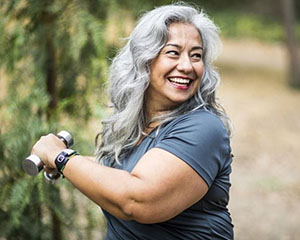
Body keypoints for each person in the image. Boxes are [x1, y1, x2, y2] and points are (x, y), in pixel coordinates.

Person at [31, 3, 234, 239]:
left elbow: (137, 200)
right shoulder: (138, 125)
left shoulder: (204, 128)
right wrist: (59, 161)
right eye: (173, 52)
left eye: (196, 55)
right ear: (144, 59)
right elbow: (121, 172)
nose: (187, 66)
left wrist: (62, 157)